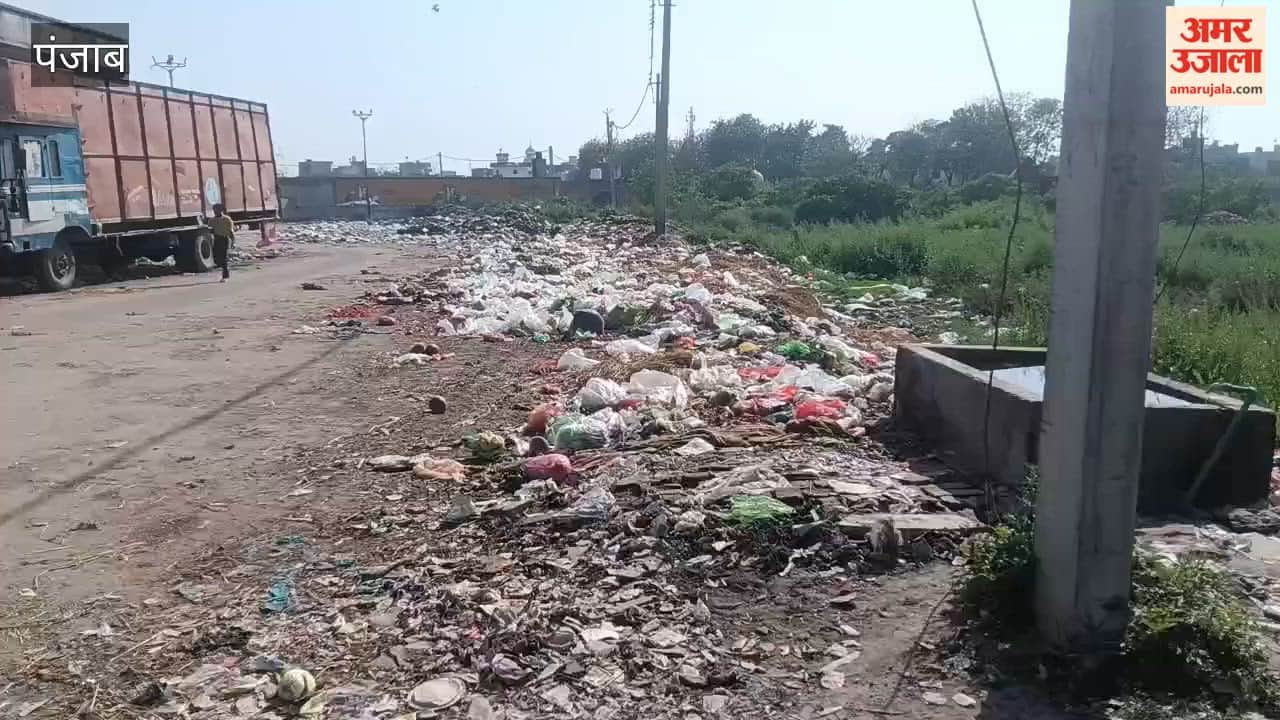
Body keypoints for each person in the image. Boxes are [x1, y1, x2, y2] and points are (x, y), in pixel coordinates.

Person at [209, 204, 234, 281]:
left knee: (223, 257)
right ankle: (224, 269)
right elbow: (210, 231)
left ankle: (225, 275)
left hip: (224, 239)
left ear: (221, 210)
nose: (215, 211)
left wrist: (233, 241)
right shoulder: (211, 220)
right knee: (216, 257)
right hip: (216, 239)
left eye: (217, 210)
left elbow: (231, 231)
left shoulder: (226, 219)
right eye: (214, 210)